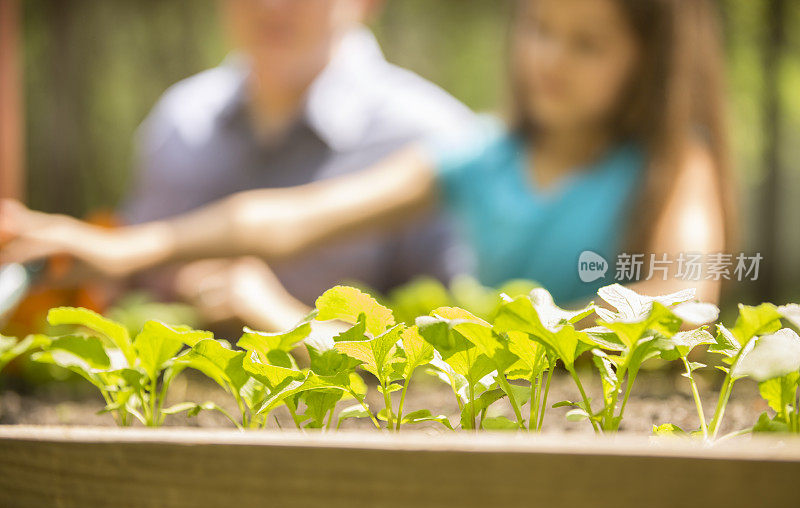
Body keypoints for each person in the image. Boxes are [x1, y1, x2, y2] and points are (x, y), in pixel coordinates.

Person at [1, 0, 733, 331]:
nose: (551, 59)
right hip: (504, 417)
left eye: (587, 44)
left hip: (615, 421)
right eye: (540, 29)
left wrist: (529, 338)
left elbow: (685, 296)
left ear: (648, 62)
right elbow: (287, 216)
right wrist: (131, 245)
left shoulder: (675, 163)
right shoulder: (483, 152)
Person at [120, 0, 475, 305]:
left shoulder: (438, 138)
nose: (271, 5)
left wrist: (285, 323)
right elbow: (129, 288)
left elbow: (455, 352)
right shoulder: (179, 121)